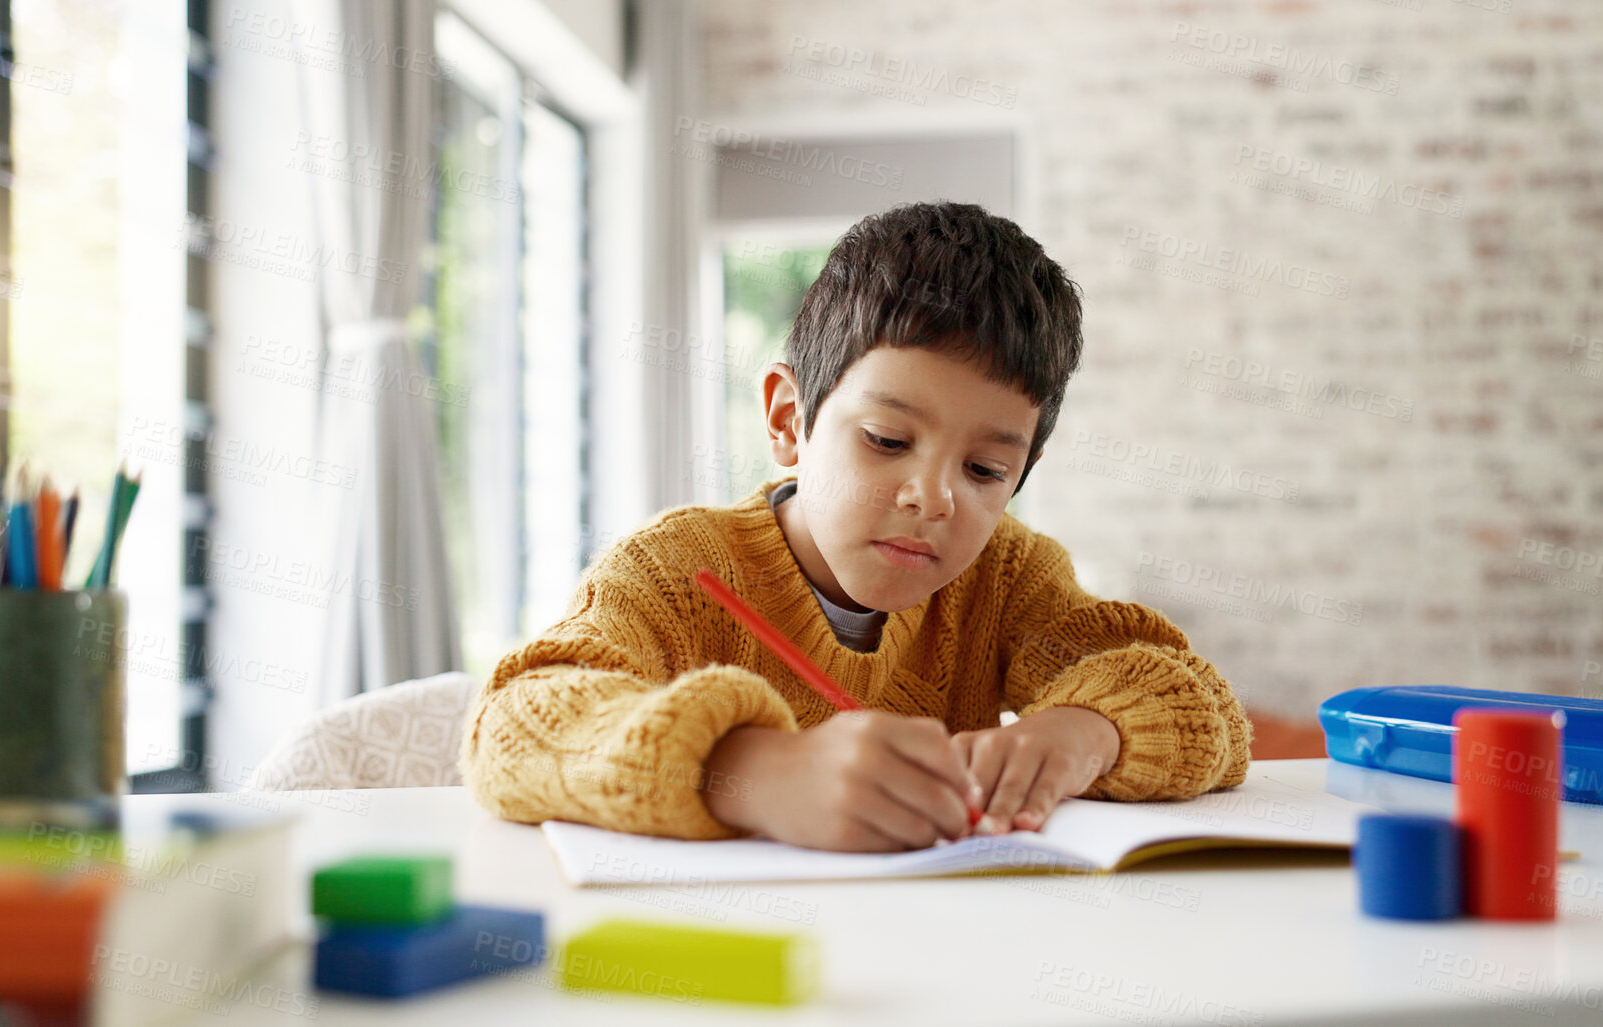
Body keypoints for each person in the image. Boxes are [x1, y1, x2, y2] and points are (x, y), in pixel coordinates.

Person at [462, 201, 1249, 852]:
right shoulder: (675, 571)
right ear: (787, 419)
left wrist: (1086, 733)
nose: (934, 497)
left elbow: (1204, 709)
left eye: (984, 471)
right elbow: (511, 729)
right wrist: (754, 771)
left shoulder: (1008, 576)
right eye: (886, 440)